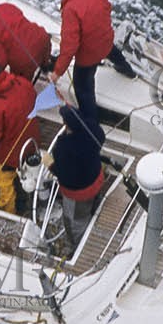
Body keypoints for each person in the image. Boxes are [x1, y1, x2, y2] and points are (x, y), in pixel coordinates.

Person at [52, 0, 135, 120]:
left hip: (88, 57)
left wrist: (57, 72)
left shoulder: (70, 9)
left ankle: (90, 121)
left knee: (83, 89)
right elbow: (108, 8)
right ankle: (129, 72)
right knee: (114, 54)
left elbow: (69, 47)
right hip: (106, 42)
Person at [0, 64, 40, 212]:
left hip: (11, 152)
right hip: (32, 139)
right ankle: (27, 194)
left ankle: (8, 210)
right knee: (28, 171)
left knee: (3, 180)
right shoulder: (24, 83)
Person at [49, 104, 107, 246]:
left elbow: (62, 174)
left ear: (66, 124)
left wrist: (49, 164)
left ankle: (77, 245)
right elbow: (101, 137)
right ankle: (94, 210)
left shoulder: (63, 147)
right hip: (96, 179)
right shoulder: (92, 128)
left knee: (75, 223)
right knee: (92, 203)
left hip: (79, 194)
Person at [0, 0, 52, 81]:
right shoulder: (5, 6)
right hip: (43, 38)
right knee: (40, 55)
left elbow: (1, 60)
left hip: (25, 59)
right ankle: (46, 66)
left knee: (20, 86)